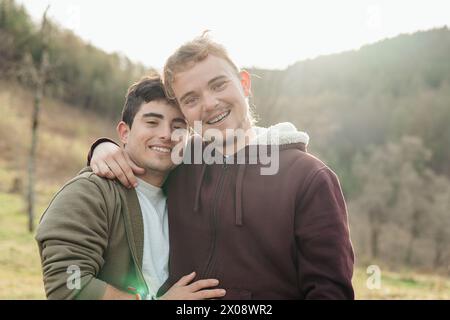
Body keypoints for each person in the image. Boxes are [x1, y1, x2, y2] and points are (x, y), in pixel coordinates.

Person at [88, 34, 355, 299]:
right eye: (191, 99)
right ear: (183, 111)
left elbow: (330, 292)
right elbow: (136, 158)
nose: (210, 104)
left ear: (244, 83)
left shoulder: (309, 178)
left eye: (218, 85)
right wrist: (103, 148)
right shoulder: (180, 161)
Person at [35, 74, 226, 300]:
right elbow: (67, 286)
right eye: (152, 122)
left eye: (178, 126)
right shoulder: (89, 193)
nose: (166, 134)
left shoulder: (187, 190)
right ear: (124, 132)